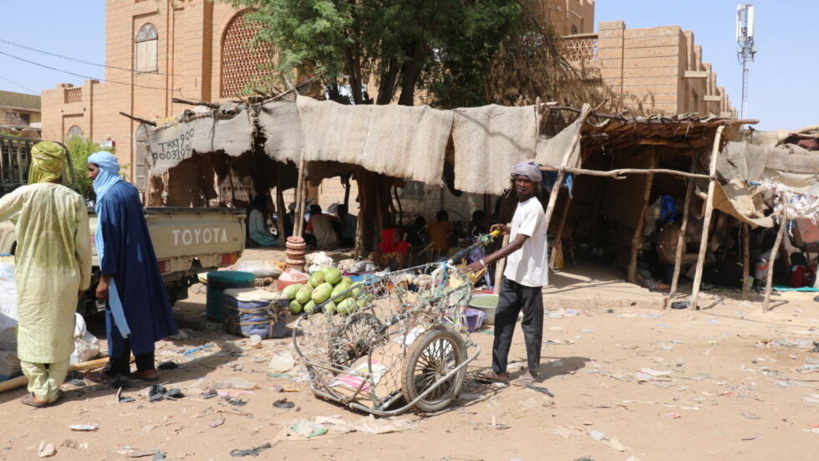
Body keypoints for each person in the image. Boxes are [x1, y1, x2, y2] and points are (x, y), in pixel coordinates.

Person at [0, 141, 92, 407]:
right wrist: (84, 280)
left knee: (31, 330)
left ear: (36, 165)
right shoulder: (73, 198)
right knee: (60, 331)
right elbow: (83, 248)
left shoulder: (24, 194)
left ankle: (40, 390)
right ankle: (52, 387)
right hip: (66, 277)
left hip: (33, 278)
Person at [85, 151, 178, 383]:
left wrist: (105, 278)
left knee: (116, 313)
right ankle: (147, 367)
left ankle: (116, 367)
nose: (89, 176)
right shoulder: (127, 189)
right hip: (138, 263)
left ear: (103, 170)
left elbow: (108, 241)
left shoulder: (108, 198)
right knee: (138, 313)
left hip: (121, 268)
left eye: (92, 170)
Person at [464, 161, 548, 387]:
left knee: (530, 326)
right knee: (502, 321)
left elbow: (520, 242)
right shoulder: (521, 205)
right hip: (513, 274)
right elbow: (520, 231)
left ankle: (532, 371)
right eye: (518, 180)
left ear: (535, 184)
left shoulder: (534, 207)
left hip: (529, 277)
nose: (521, 184)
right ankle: (499, 371)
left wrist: (483, 261)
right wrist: (508, 228)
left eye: (526, 181)